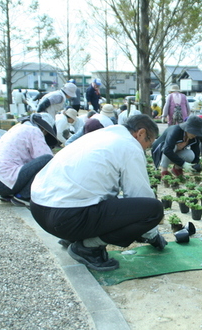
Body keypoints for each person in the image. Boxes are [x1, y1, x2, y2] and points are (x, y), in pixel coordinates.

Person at [30, 114, 166, 271]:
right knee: (153, 209)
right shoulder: (130, 145)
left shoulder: (101, 135)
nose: (146, 149)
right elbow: (140, 195)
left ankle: (74, 237)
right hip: (65, 218)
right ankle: (87, 247)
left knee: (107, 199)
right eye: (148, 144)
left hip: (39, 209)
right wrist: (153, 236)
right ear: (141, 133)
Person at [0, 113, 57, 206]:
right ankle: (22, 196)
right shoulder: (33, 131)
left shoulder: (17, 129)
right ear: (44, 129)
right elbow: (46, 158)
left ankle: (7, 194)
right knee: (47, 160)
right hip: (5, 182)